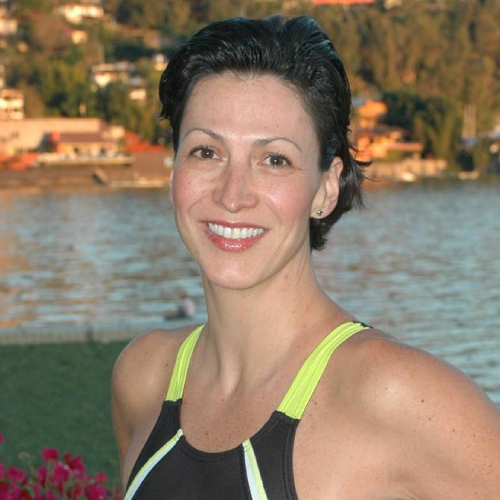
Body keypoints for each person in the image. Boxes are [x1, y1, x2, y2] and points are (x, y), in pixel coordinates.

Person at [112, 15, 500, 500]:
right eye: (206, 152)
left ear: (326, 188)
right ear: (174, 173)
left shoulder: (398, 398)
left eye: (274, 159)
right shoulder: (144, 376)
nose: (232, 195)